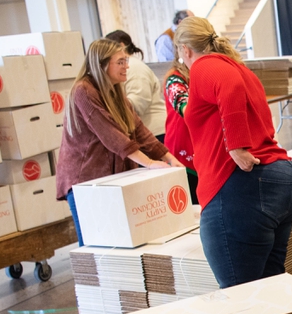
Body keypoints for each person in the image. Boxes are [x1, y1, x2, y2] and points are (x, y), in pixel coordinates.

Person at [174, 17, 292, 288]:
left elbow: (227, 85)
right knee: (270, 289)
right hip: (276, 180)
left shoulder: (205, 66)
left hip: (239, 186)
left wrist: (236, 145)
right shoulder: (239, 68)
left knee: (241, 300)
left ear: (185, 49)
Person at [56, 39, 178, 246]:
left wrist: (168, 157)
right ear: (102, 64)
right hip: (86, 178)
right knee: (94, 244)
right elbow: (110, 134)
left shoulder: (115, 90)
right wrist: (148, 162)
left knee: (118, 242)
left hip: (110, 177)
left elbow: (138, 128)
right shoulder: (83, 91)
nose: (127, 66)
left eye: (126, 61)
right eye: (120, 62)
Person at [105, 30, 166, 143]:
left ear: (121, 45)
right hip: (145, 131)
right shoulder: (128, 67)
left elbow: (138, 104)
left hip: (154, 132)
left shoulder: (134, 67)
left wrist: (110, 109)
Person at [162, 59, 199, 204]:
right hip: (182, 146)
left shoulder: (202, 75)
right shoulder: (175, 79)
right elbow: (186, 109)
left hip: (200, 145)